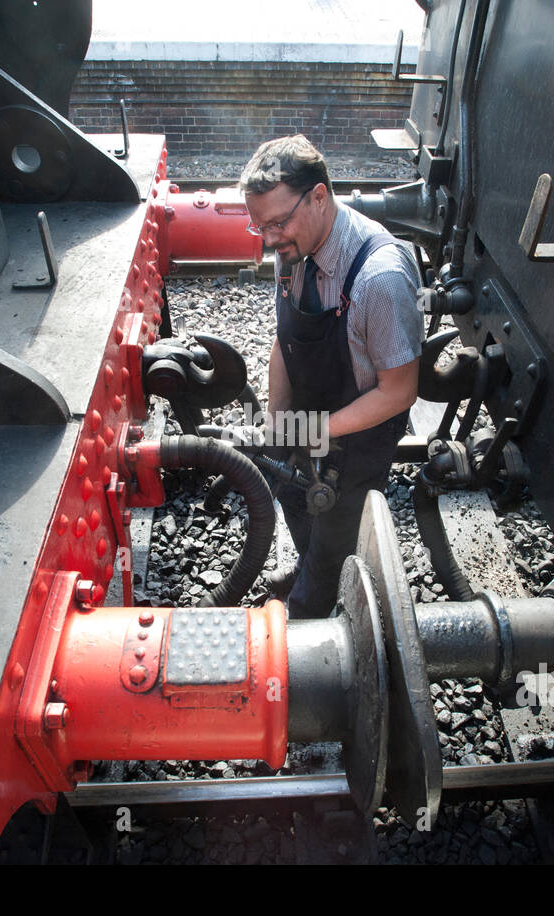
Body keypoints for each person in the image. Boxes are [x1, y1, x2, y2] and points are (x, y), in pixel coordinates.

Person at [238, 135, 424, 619]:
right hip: (308, 412)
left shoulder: (377, 278)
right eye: (259, 226)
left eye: (278, 222)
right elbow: (285, 338)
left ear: (319, 196)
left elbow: (400, 391)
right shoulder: (291, 247)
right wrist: (280, 426)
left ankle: (309, 614)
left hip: (361, 433)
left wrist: (318, 431)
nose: (270, 239)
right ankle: (309, 562)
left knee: (336, 528)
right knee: (292, 493)